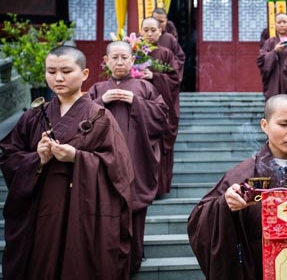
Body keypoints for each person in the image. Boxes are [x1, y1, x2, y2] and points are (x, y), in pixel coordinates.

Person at [0, 46, 135, 280]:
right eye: (51, 71)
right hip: (41, 213)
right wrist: (37, 159)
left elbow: (120, 170)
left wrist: (77, 157)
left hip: (83, 214)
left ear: (84, 74)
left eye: (65, 71)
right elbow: (9, 155)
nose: (58, 78)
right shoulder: (33, 116)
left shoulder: (100, 117)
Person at [188, 94, 287, 280]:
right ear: (265, 125)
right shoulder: (241, 175)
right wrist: (225, 205)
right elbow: (199, 220)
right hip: (260, 269)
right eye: (283, 124)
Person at [87, 41, 169, 274]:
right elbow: (80, 120)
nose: (120, 62)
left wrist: (137, 103)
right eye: (115, 57)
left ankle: (134, 256)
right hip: (103, 165)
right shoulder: (97, 89)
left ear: (133, 61)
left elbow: (163, 118)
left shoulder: (145, 88)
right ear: (106, 61)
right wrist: (100, 103)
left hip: (135, 163)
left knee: (133, 211)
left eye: (125, 57)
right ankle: (106, 260)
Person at [140, 17, 181, 195]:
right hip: (139, 109)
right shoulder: (134, 52)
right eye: (146, 30)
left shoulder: (166, 53)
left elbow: (175, 79)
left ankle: (160, 188)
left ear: (160, 32)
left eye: (153, 30)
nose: (149, 34)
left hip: (160, 108)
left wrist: (154, 77)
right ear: (140, 31)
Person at [257, 13, 287, 99]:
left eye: (284, 22)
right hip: (274, 81)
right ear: (275, 25)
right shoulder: (269, 42)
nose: (282, 25)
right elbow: (261, 61)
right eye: (279, 22)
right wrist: (274, 51)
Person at [144, 13, 185, 82]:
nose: (149, 34)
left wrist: (170, 67)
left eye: (161, 21)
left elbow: (180, 58)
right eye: (146, 30)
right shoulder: (138, 42)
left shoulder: (170, 39)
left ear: (166, 21)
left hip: (163, 79)